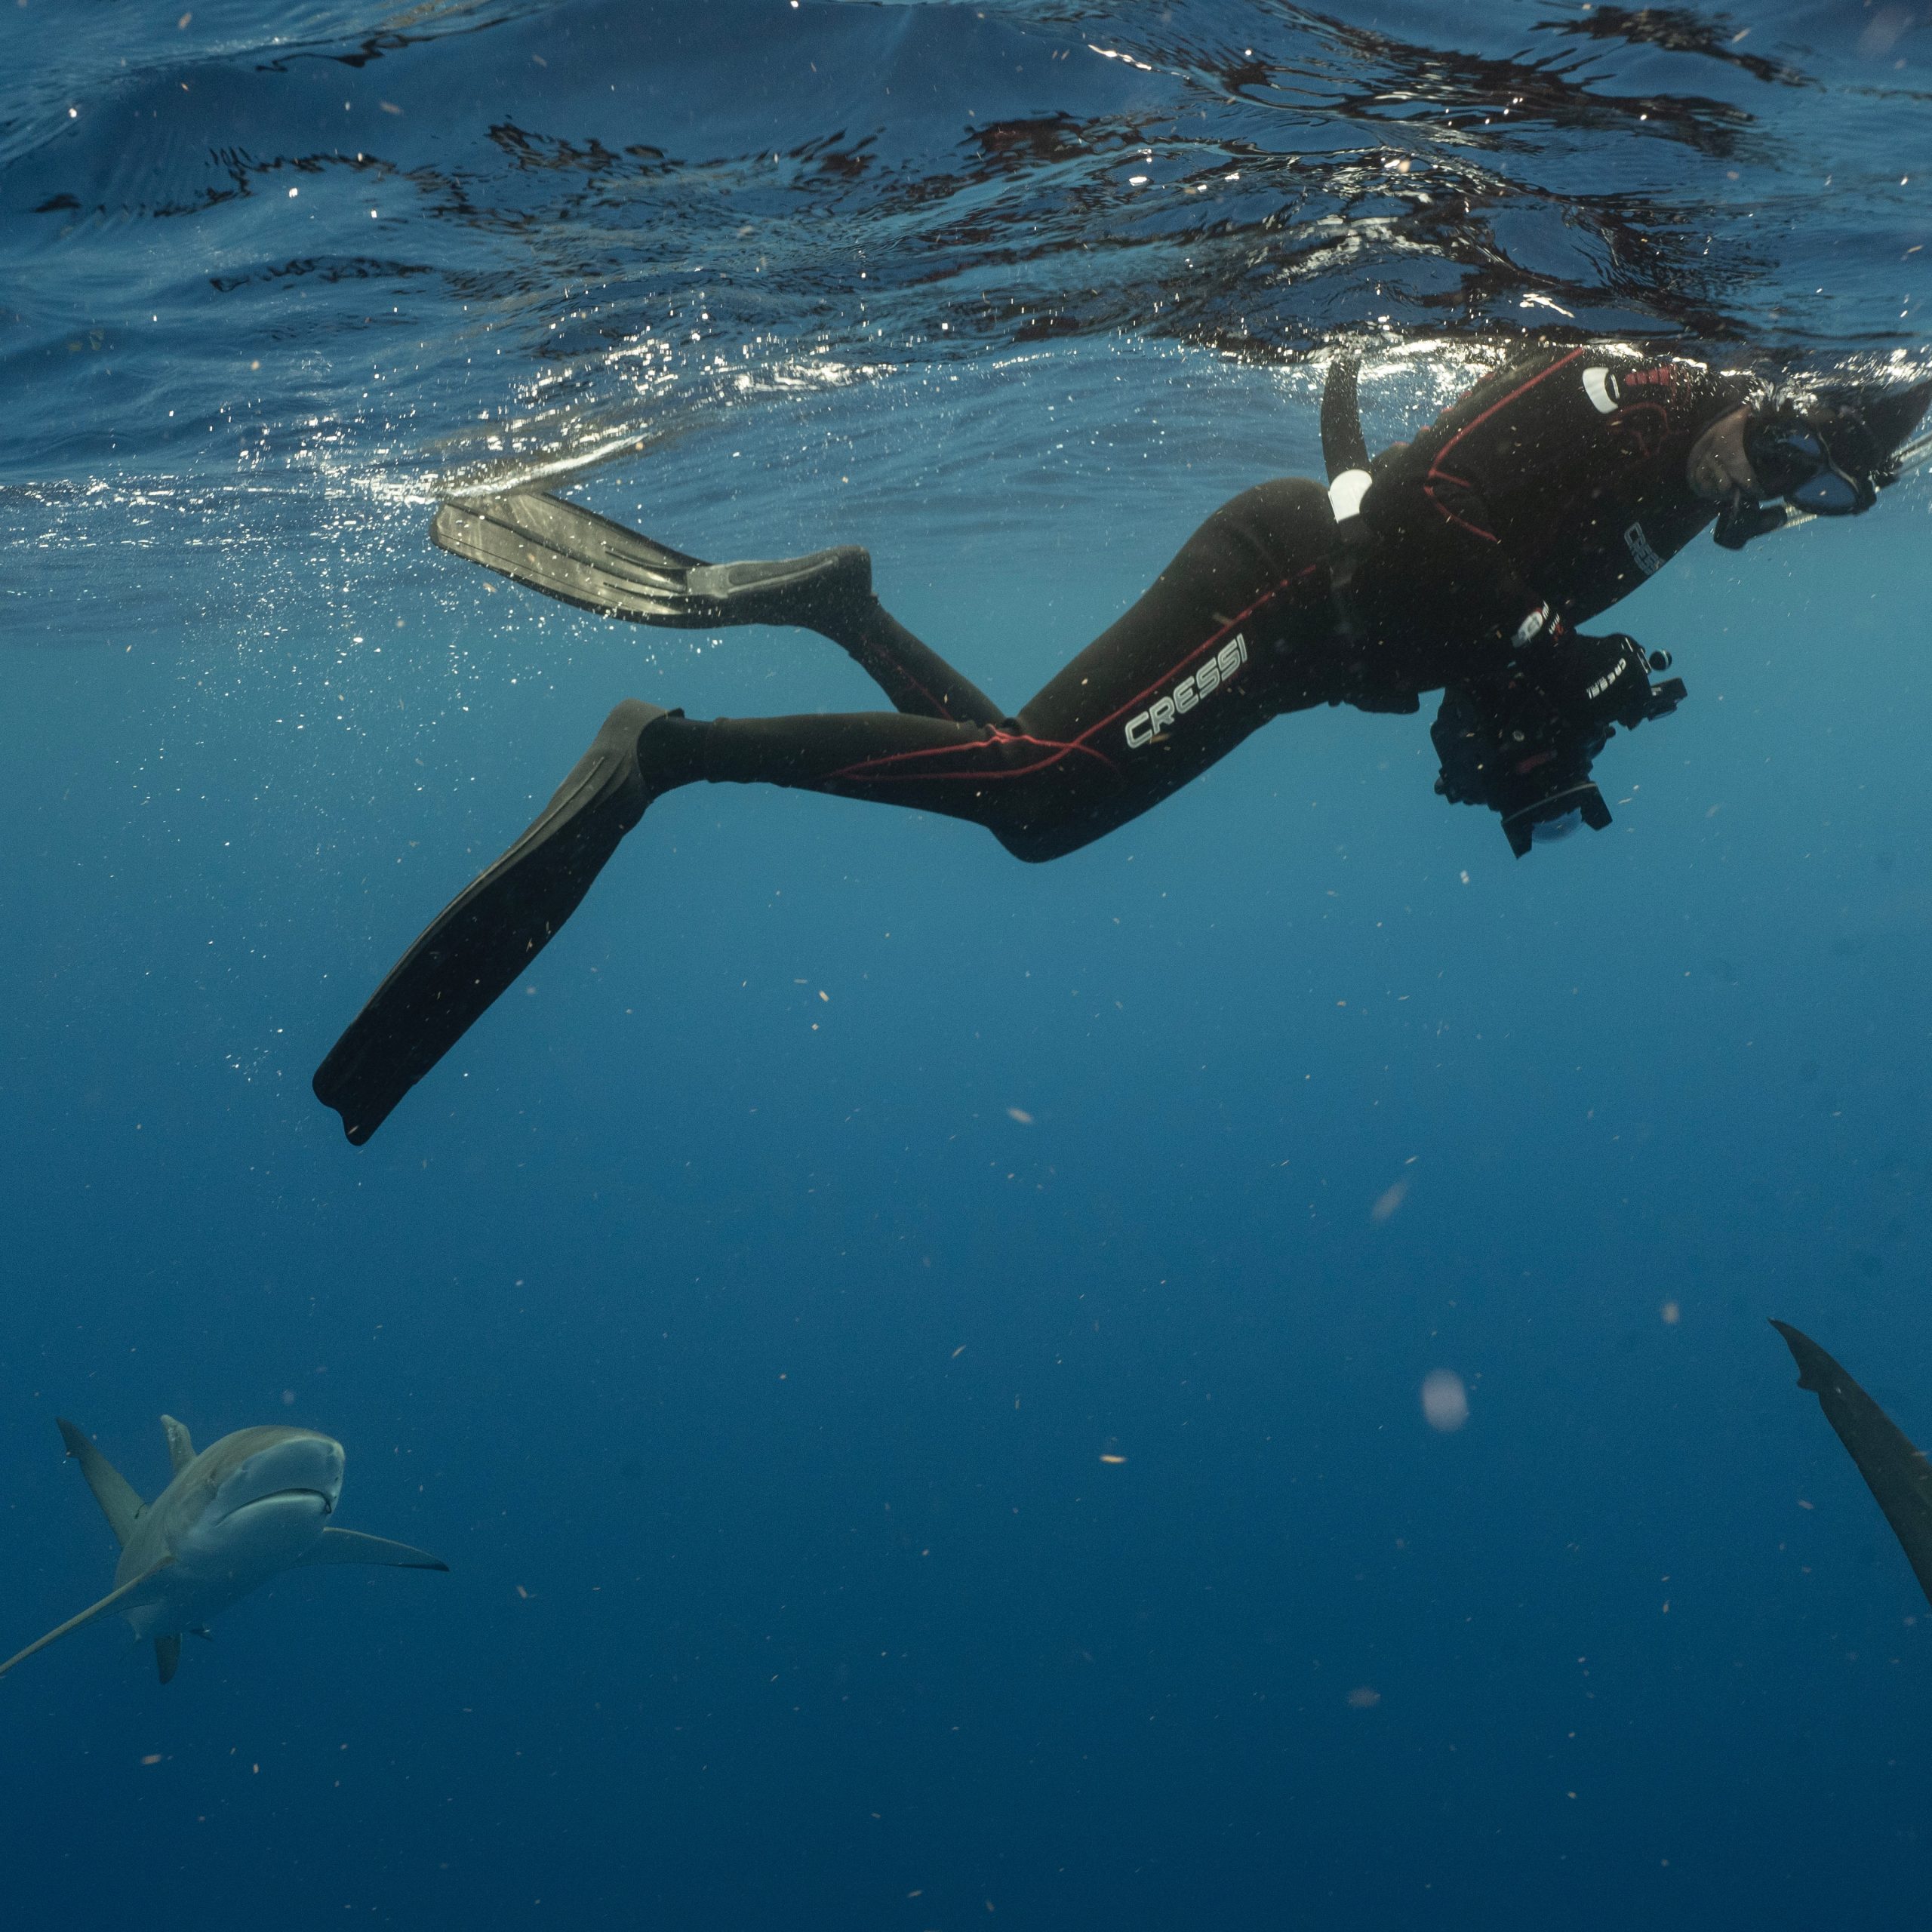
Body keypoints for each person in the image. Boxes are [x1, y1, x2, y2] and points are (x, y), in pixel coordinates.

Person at [313, 342, 1930, 1143]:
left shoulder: (1671, 506)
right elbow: (1428, 492)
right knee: (1040, 779)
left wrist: (1553, 709)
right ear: (1783, 397)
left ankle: (841, 607)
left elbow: (1478, 676)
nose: (1779, 497)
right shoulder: (1614, 394)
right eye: (1794, 459)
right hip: (1284, 571)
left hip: (1311, 656)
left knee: (1035, 814)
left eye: (1825, 499)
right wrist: (1529, 636)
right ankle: (667, 750)